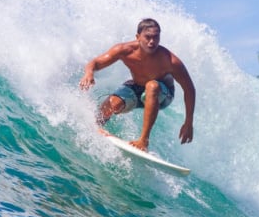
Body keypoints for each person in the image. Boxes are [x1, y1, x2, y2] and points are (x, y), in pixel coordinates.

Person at [79, 18, 196, 151]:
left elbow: (189, 89)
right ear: (138, 37)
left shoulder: (170, 60)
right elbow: (96, 63)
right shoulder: (124, 50)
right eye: (148, 37)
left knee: (152, 86)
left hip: (163, 94)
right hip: (137, 86)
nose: (152, 41)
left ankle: (143, 141)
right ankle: (95, 128)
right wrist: (89, 73)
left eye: (156, 37)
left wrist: (188, 122)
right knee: (112, 104)